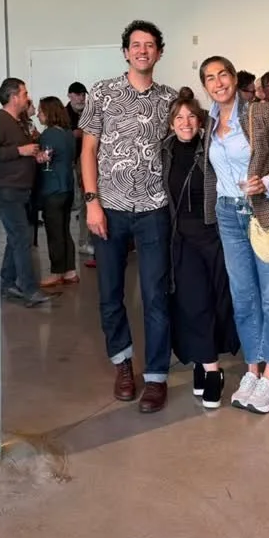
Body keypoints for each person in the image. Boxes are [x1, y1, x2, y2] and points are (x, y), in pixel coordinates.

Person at [80, 21, 175, 414]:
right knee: (110, 294)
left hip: (154, 208)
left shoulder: (170, 99)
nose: (142, 50)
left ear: (159, 53)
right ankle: (122, 363)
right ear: (125, 52)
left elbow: (194, 131)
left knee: (156, 295)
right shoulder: (102, 92)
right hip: (110, 208)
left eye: (149, 45)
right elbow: (88, 151)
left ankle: (155, 376)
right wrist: (92, 201)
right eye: (136, 45)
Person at [201, 56, 269, 415]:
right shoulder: (208, 122)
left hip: (265, 213)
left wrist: (267, 182)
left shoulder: (261, 113)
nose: (218, 83)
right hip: (228, 215)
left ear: (233, 78)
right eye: (210, 78)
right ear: (205, 86)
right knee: (243, 300)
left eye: (223, 74)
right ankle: (252, 370)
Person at [162, 88, 239, 409]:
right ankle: (210, 368)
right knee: (193, 303)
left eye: (191, 116)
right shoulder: (164, 151)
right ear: (171, 123)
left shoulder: (211, 148)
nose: (186, 122)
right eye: (179, 118)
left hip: (213, 235)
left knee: (214, 303)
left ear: (200, 120)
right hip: (181, 239)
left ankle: (205, 364)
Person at [0, 77, 49, 307]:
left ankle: (7, 283)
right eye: (25, 93)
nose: (28, 98)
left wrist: (35, 156)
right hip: (8, 190)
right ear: (13, 97)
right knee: (22, 238)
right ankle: (29, 289)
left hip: (21, 190)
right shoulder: (0, 120)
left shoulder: (18, 122)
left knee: (16, 238)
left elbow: (23, 151)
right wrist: (21, 150)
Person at [37, 96, 77, 288]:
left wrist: (36, 155)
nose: (38, 115)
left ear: (49, 113)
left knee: (54, 232)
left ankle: (56, 272)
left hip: (52, 188)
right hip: (67, 187)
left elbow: (45, 158)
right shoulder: (68, 133)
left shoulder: (48, 134)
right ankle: (70, 271)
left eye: (41, 111)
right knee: (65, 230)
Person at [66, 81, 94, 265]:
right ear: (70, 95)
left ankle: (85, 241)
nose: (81, 98)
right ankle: (81, 242)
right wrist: (72, 134)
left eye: (83, 94)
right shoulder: (62, 114)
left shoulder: (90, 111)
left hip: (87, 160)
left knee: (87, 201)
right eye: (77, 95)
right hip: (70, 162)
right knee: (74, 203)